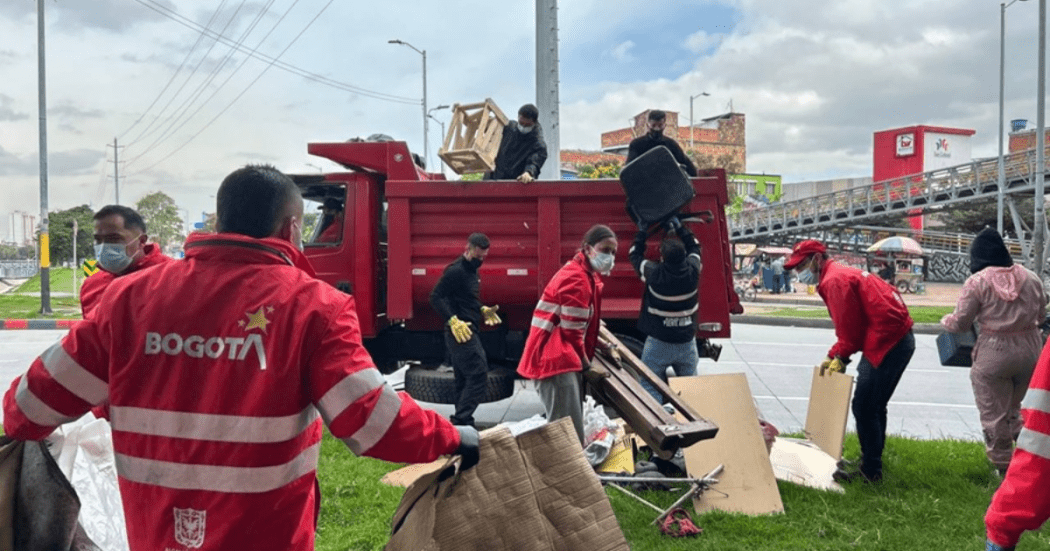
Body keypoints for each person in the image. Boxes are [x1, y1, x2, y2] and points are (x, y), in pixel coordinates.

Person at [3, 164, 478, 551]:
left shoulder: (128, 299)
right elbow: (372, 423)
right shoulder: (313, 306)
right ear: (292, 228)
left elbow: (25, 412)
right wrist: (452, 435)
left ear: (220, 220)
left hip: (157, 538)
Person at [782, 239, 914, 483]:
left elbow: (850, 333)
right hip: (894, 338)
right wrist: (836, 355)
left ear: (817, 259)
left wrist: (838, 356)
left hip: (889, 342)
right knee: (873, 405)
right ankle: (871, 460)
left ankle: (871, 471)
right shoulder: (839, 274)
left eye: (801, 266)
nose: (799, 273)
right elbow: (854, 327)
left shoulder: (835, 281)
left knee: (864, 406)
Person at [941, 227, 1046, 476]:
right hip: (1031, 349)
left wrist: (945, 320)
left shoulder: (977, 282)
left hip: (994, 352)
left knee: (993, 412)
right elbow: (1041, 316)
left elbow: (961, 323)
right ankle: (1031, 458)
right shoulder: (1031, 277)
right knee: (1015, 409)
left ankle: (1003, 467)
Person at [518, 224, 618, 445]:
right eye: (604, 249)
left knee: (567, 433)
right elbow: (573, 333)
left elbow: (584, 326)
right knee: (567, 437)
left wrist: (603, 346)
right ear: (587, 248)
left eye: (613, 252)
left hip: (558, 358)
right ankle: (566, 478)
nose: (609, 256)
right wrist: (586, 366)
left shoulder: (584, 275)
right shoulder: (578, 279)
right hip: (556, 361)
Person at [429, 233, 502, 427]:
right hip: (460, 332)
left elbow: (467, 298)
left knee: (463, 378)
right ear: (467, 249)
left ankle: (460, 424)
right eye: (478, 257)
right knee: (478, 373)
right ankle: (462, 419)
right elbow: (436, 296)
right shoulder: (456, 271)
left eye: (484, 258)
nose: (480, 261)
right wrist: (452, 320)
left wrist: (481, 309)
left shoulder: (472, 272)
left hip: (471, 328)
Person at [628, 217, 702, 404]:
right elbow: (695, 248)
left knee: (649, 384)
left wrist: (642, 233)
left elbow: (634, 255)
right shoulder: (693, 271)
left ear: (662, 257)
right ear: (684, 256)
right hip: (686, 342)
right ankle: (690, 424)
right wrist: (682, 229)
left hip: (659, 342)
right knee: (691, 390)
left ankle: (660, 422)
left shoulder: (654, 274)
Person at [985, 345, 1050, 551]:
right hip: (1026, 352)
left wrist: (1002, 523)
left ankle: (1000, 458)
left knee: (995, 412)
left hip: (994, 354)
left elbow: (1041, 445)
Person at [80, 205, 172, 319]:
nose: (103, 246)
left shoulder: (172, 277)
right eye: (98, 240)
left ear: (141, 241)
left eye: (114, 238)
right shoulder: (92, 285)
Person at [625, 110, 698, 177]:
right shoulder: (637, 144)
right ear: (648, 125)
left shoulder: (671, 144)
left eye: (660, 125)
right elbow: (629, 168)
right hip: (644, 184)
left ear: (664, 126)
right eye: (653, 125)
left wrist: (696, 181)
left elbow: (686, 162)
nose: (657, 129)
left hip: (666, 186)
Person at [486, 103, 548, 183]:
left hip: (516, 184)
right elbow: (493, 130)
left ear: (534, 123)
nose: (523, 127)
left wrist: (528, 173)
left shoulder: (538, 144)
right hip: (494, 178)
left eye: (527, 125)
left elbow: (534, 162)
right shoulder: (509, 127)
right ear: (518, 117)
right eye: (521, 123)